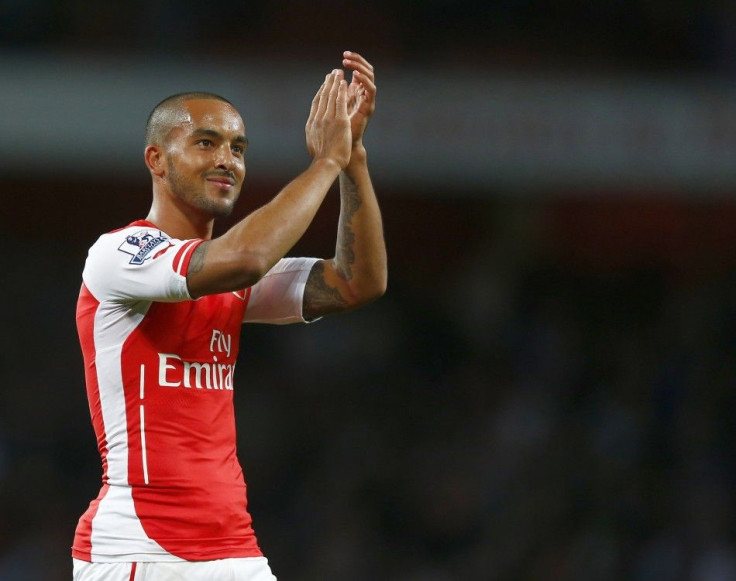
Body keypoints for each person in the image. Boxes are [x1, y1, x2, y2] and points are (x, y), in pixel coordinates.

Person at [71, 51, 386, 581]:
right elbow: (245, 259)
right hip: (141, 548)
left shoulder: (232, 278)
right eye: (206, 142)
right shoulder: (121, 254)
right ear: (156, 158)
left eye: (238, 148)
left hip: (234, 548)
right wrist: (323, 164)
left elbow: (359, 281)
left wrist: (352, 158)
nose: (227, 159)